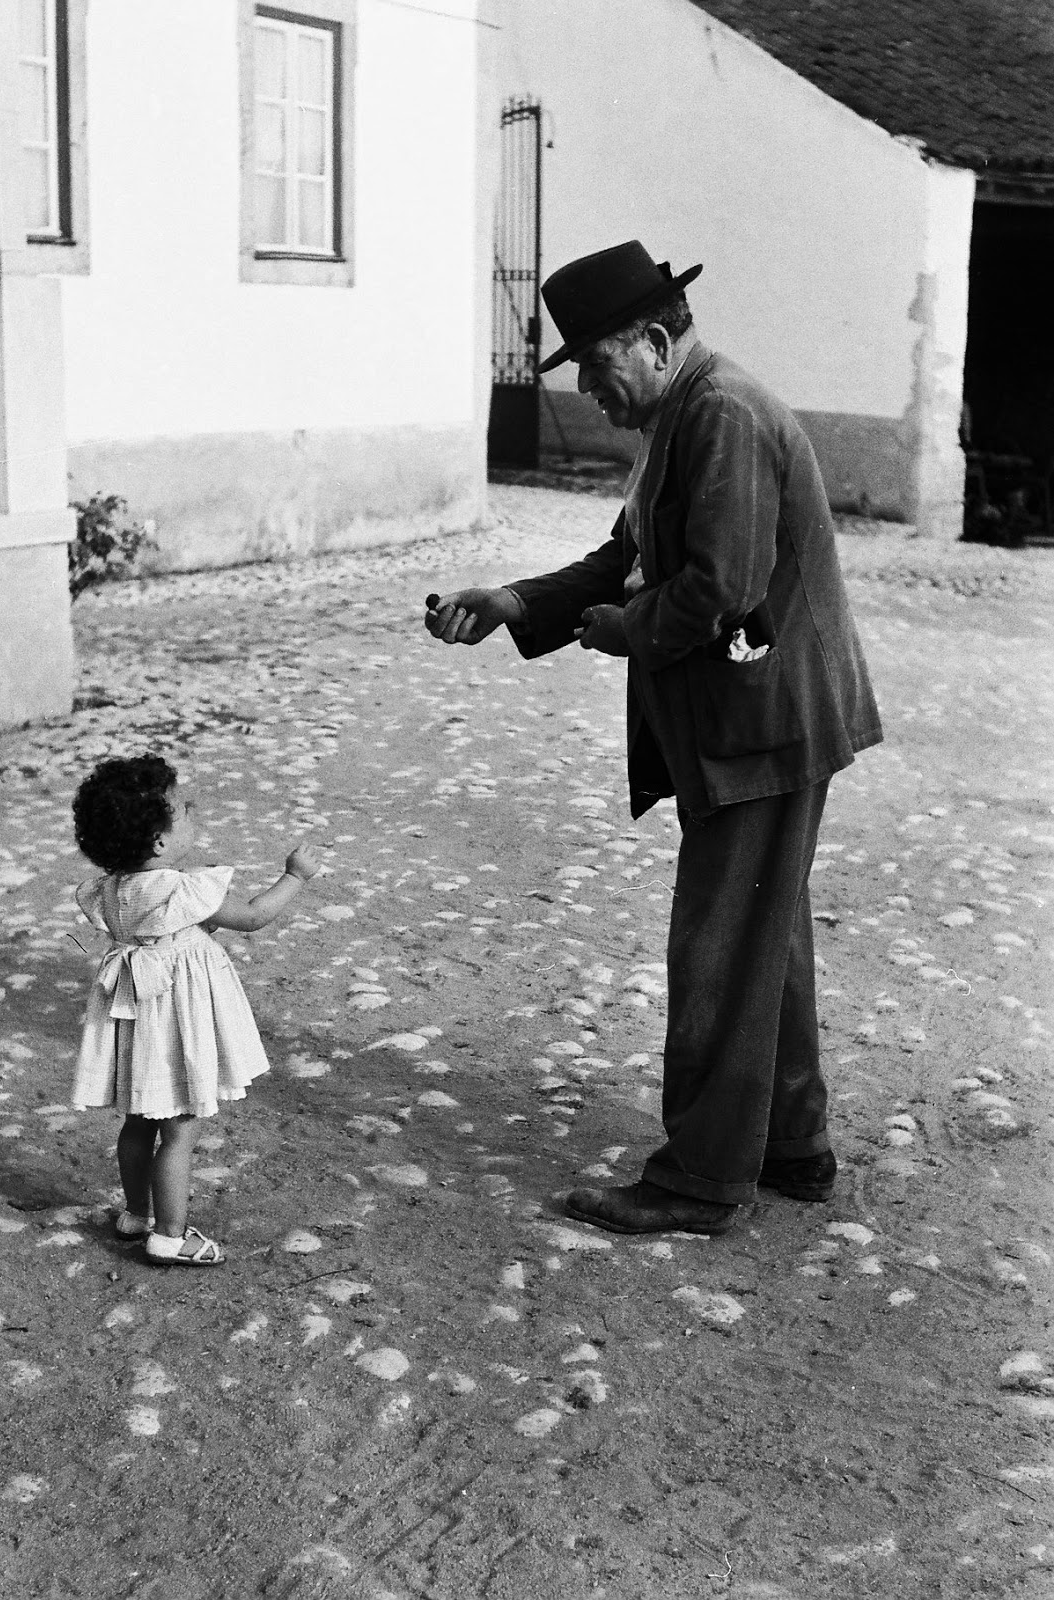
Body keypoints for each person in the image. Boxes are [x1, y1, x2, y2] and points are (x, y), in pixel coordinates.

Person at [425, 239, 882, 1237]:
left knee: (716, 945)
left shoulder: (720, 413)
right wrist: (514, 602)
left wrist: (621, 630)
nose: (589, 389)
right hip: (759, 721)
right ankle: (790, 1143)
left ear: (657, 341)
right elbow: (624, 556)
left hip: (763, 726)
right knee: (764, 933)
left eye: (597, 364)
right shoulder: (682, 412)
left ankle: (699, 1180)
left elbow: (720, 587)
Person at [70, 753, 323, 1266]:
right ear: (160, 842)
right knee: (180, 1128)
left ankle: (135, 1214)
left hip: (136, 1016)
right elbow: (253, 916)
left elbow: (155, 929)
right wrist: (295, 876)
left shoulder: (111, 889)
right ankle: (170, 1235)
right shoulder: (182, 888)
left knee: (138, 1120)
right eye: (183, 810)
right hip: (173, 1021)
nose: (194, 811)